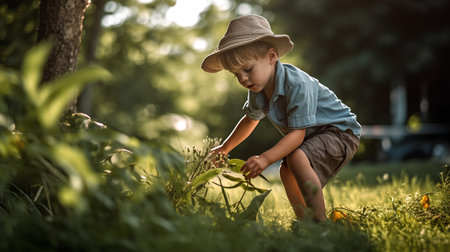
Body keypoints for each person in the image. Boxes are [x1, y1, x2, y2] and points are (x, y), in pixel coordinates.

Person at [201, 15, 361, 222]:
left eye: (248, 69)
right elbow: (250, 120)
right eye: (236, 74)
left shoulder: (297, 85)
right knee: (287, 170)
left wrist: (265, 158)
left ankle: (320, 224)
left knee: (296, 158)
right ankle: (305, 223)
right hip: (314, 136)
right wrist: (224, 148)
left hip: (341, 132)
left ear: (271, 56)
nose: (242, 78)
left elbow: (297, 134)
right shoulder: (258, 90)